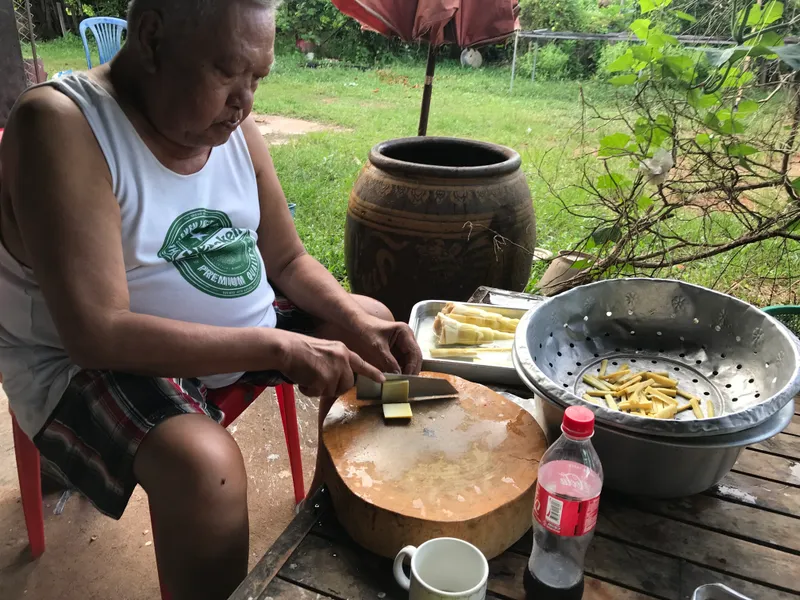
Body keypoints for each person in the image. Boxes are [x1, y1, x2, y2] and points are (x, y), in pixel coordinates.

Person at [0, 0, 422, 598]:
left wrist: (352, 318)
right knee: (206, 470)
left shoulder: (227, 123)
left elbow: (287, 259)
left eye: (257, 79)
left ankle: (352, 521)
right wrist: (277, 344)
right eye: (228, 73)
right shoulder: (63, 125)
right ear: (150, 39)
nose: (245, 101)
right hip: (86, 361)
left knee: (371, 327)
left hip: (234, 332)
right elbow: (97, 332)